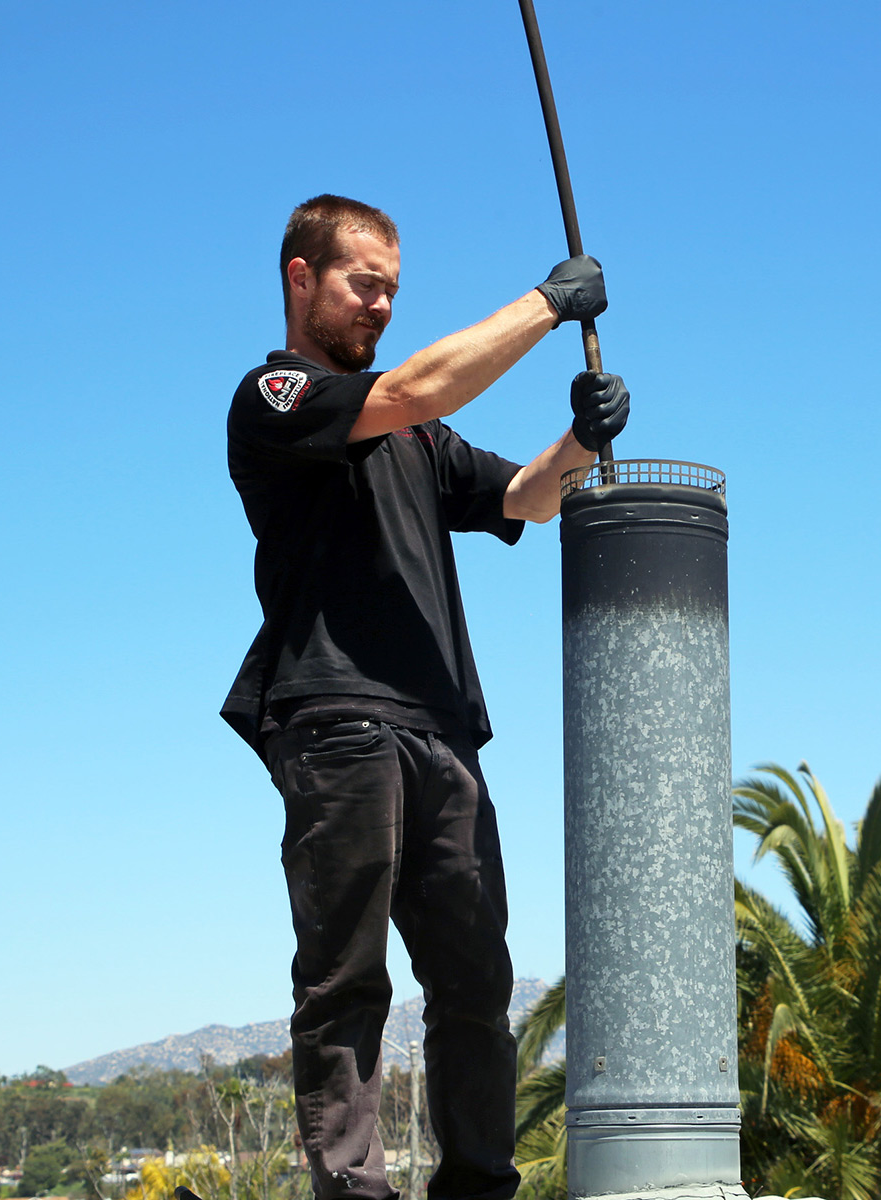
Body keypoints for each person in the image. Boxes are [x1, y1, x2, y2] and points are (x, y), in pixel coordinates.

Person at [221, 194, 629, 1200]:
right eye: (365, 284)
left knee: (475, 984)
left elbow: (519, 499)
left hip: (444, 737)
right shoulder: (278, 395)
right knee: (346, 980)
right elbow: (410, 390)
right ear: (300, 277)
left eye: (394, 290)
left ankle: (482, 1186)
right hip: (337, 722)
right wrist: (545, 305)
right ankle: (355, 1191)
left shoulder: (420, 441)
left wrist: (577, 443)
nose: (381, 306)